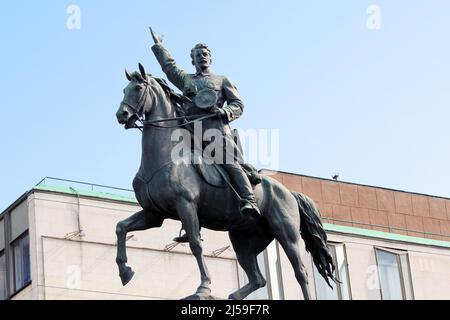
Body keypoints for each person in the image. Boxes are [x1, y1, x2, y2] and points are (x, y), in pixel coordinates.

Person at [150, 28, 261, 233]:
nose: (201, 57)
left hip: (216, 131)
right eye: (197, 55)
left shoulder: (222, 80)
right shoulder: (186, 80)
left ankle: (249, 199)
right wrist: (159, 46)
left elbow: (239, 104)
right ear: (192, 61)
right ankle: (191, 224)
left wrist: (224, 111)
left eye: (205, 54)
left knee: (228, 163)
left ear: (210, 58)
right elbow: (169, 66)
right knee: (179, 174)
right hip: (190, 134)